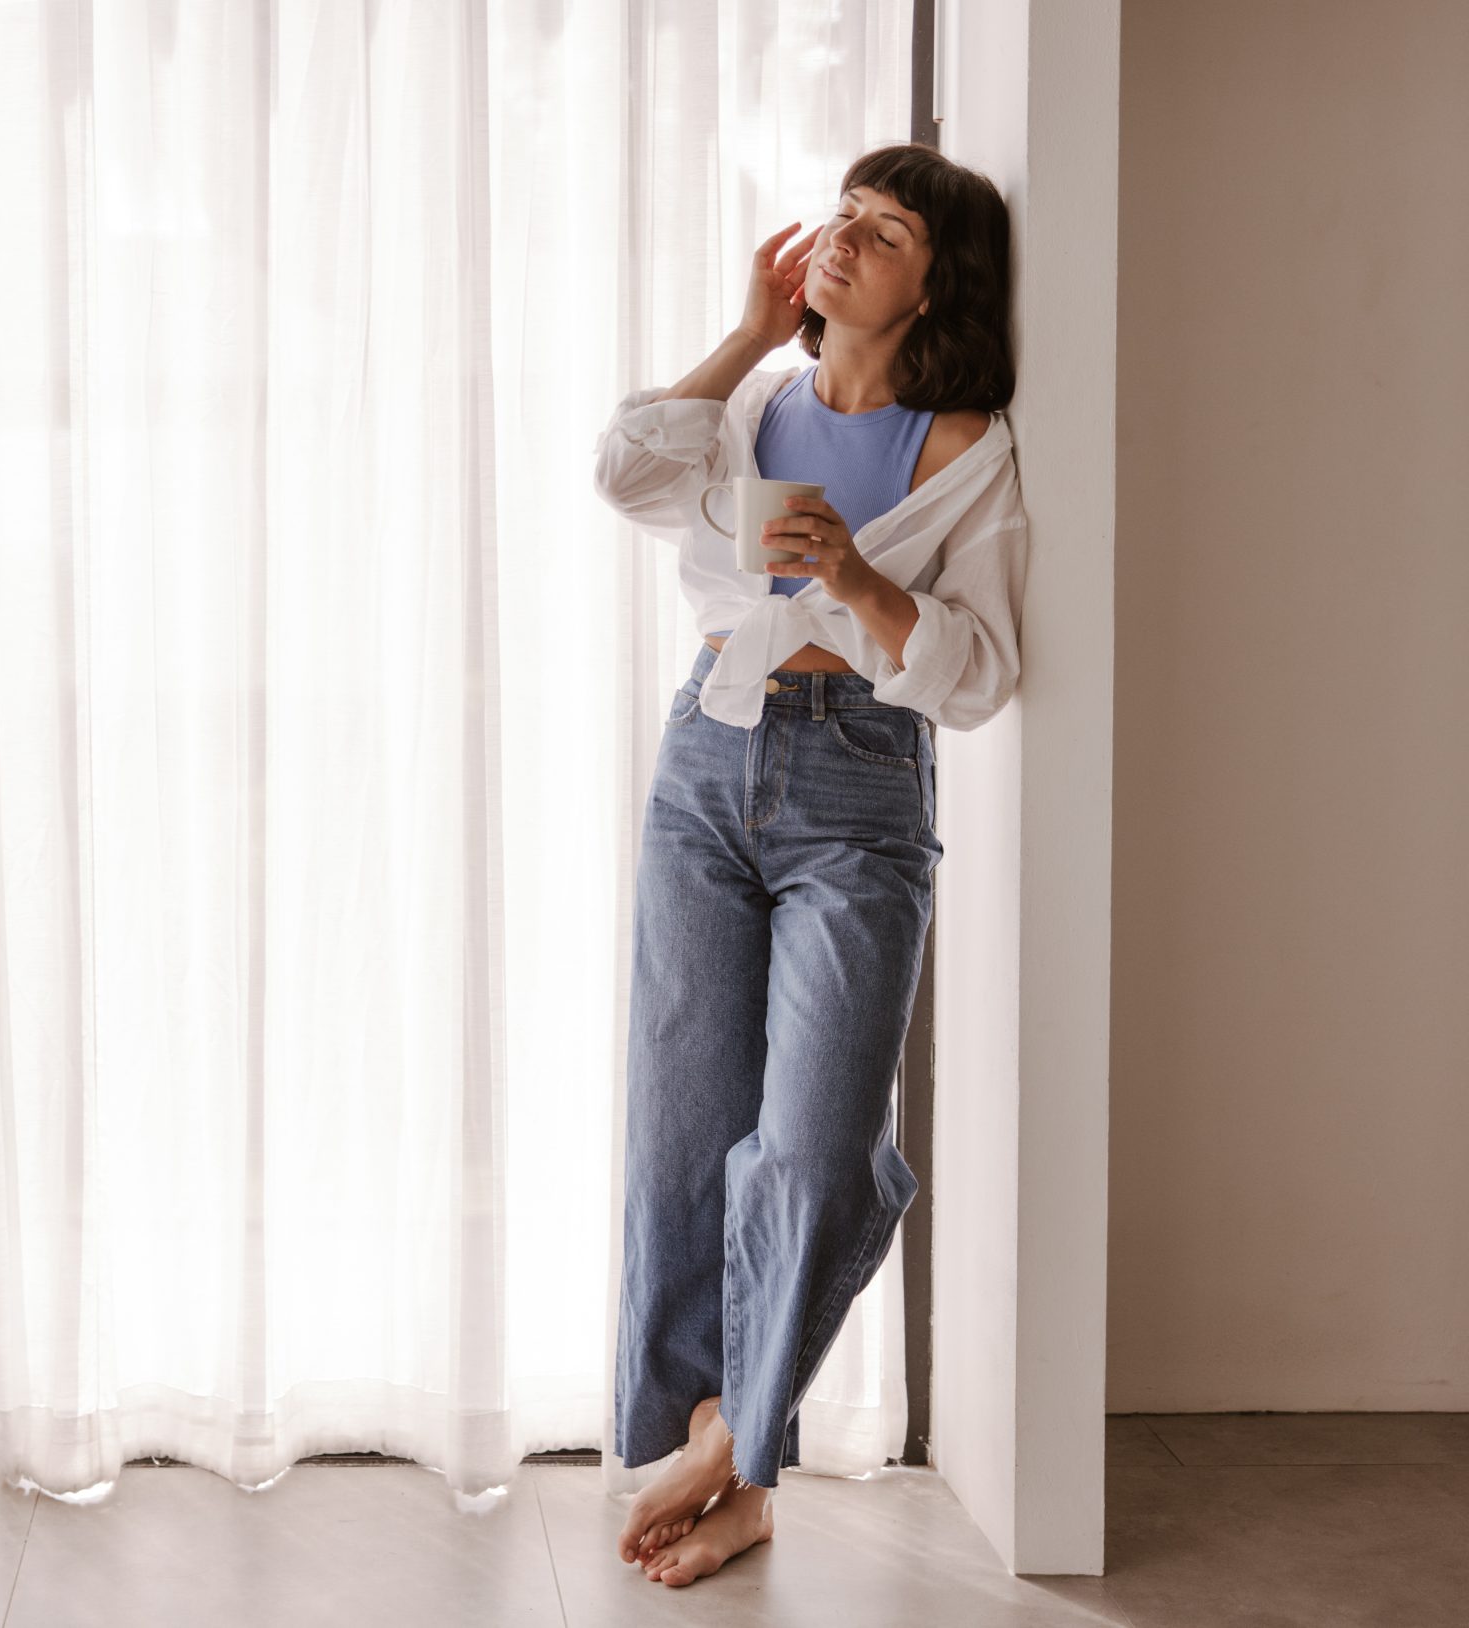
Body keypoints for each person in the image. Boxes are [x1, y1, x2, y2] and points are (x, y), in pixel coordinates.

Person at [587, 141, 1028, 1589]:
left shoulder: (964, 449)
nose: (842, 239)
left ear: (930, 286)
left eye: (883, 230)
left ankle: (742, 1442)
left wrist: (853, 580)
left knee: (821, 1142)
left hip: (860, 784)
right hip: (708, 761)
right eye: (842, 215)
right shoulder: (759, 404)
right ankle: (730, 1445)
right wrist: (741, 333)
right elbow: (624, 470)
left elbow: (978, 677)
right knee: (683, 1123)